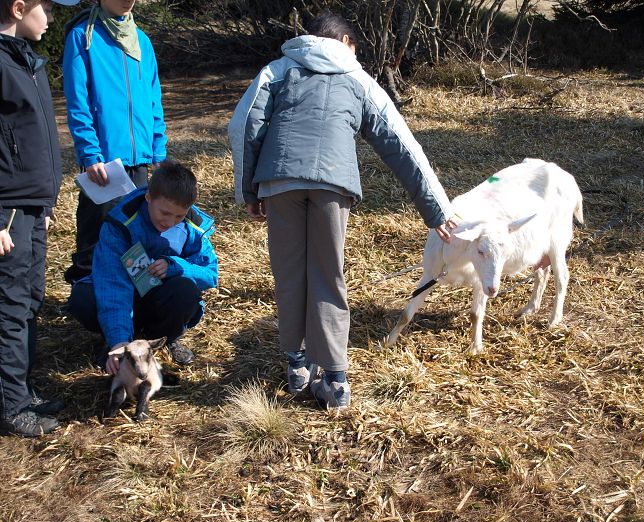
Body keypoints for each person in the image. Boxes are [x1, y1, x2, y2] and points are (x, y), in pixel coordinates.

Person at [228, 12, 456, 411]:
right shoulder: (358, 78)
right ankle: (335, 379)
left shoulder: (278, 69)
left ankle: (297, 364)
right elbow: (400, 143)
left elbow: (245, 126)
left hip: (279, 181)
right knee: (328, 274)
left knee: (289, 273)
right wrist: (436, 208)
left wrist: (249, 189)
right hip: (334, 183)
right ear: (346, 42)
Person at [0, 0, 78, 436]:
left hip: (31, 205)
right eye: (45, 7)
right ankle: (11, 408)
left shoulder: (25, 60)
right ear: (18, 8)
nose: (50, 17)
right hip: (7, 210)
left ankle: (21, 392)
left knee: (29, 300)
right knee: (8, 308)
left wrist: (44, 205)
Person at [66, 160, 218, 373]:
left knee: (185, 290)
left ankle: (163, 338)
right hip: (127, 295)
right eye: (164, 213)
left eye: (179, 216)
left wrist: (176, 266)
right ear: (148, 197)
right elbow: (112, 283)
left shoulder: (192, 226)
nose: (170, 222)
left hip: (160, 299)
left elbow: (210, 274)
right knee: (83, 298)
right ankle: (117, 337)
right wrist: (119, 341)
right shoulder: (120, 224)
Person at [61, 0, 167, 284]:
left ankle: (134, 298)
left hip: (140, 159)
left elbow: (153, 97)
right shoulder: (82, 37)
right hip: (104, 162)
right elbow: (78, 102)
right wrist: (90, 153)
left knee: (137, 235)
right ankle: (86, 295)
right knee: (95, 236)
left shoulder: (142, 40)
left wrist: (158, 148)